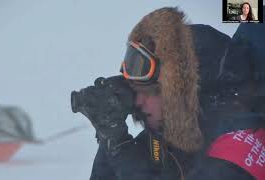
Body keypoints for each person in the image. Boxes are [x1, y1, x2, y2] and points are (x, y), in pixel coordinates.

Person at [76, 7, 265, 180]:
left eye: (147, 91)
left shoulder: (235, 149)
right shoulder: (179, 128)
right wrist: (109, 135)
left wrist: (120, 147)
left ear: (179, 93)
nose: (138, 101)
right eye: (134, 90)